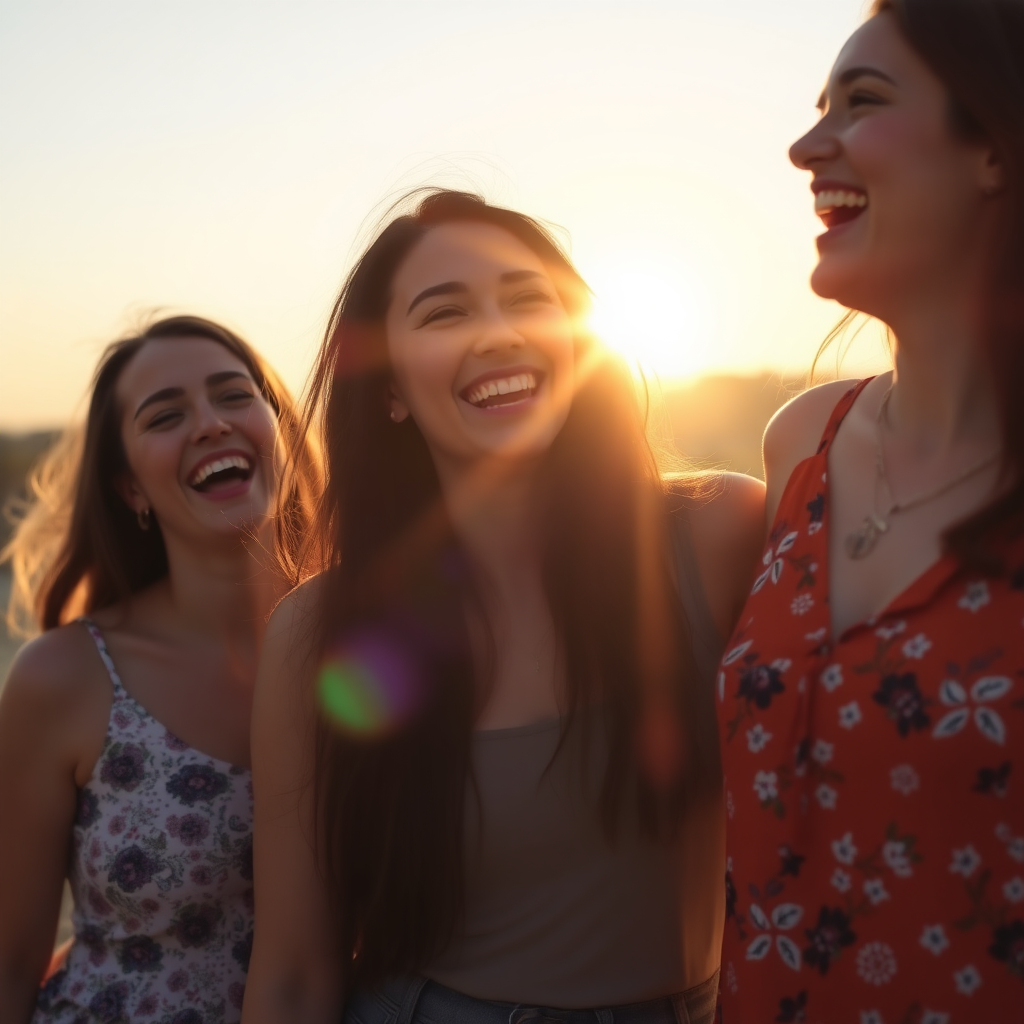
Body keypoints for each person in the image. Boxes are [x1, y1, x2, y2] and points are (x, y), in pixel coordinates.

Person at [242, 190, 765, 1024]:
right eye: (444, 313)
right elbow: (296, 974)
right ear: (389, 391)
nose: (500, 333)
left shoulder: (718, 533)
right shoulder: (319, 635)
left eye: (529, 299)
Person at [716, 1, 1024, 1020]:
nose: (807, 145)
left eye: (863, 101)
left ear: (991, 147)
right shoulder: (800, 442)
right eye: (817, 107)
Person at [0, 316, 320, 1023]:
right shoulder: (65, 677)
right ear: (129, 487)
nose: (209, 424)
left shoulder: (366, 644)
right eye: (166, 415)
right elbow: (11, 962)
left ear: (280, 432)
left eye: (234, 396)